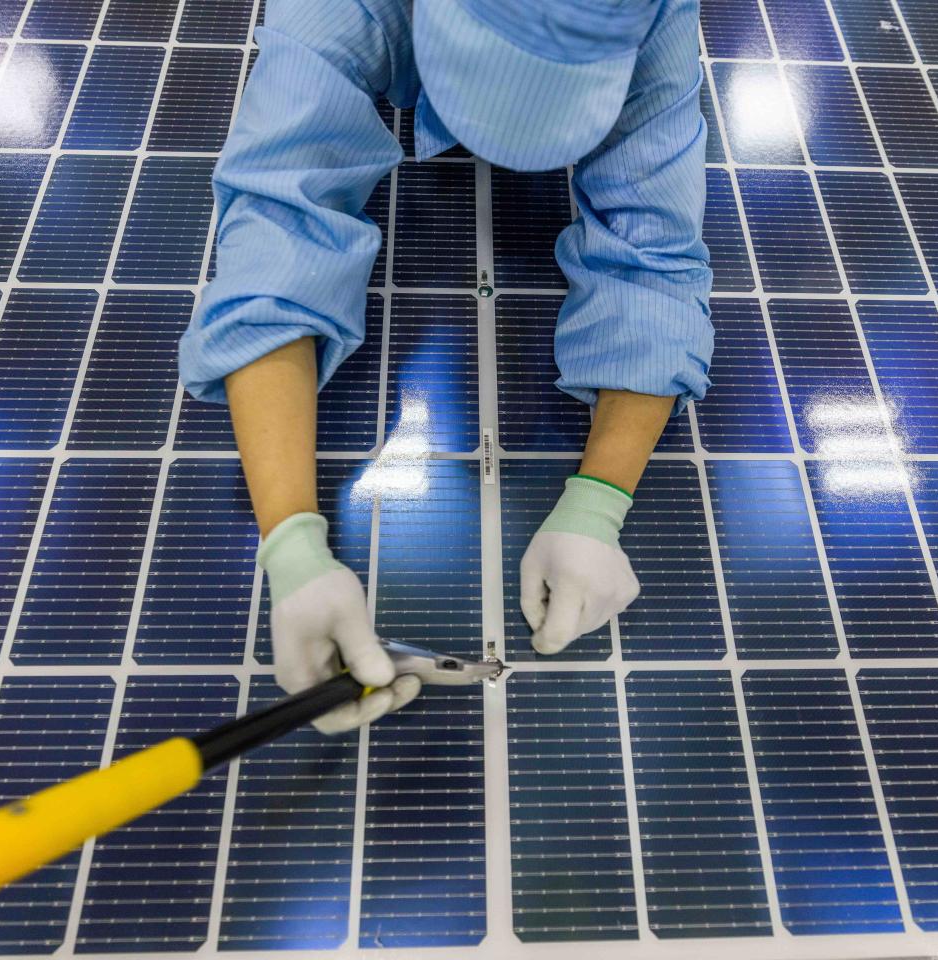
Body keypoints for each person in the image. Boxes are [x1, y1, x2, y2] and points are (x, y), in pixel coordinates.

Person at [178, 0, 714, 732]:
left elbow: (654, 253)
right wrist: (291, 543)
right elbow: (278, 231)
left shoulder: (655, 17)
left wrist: (600, 502)